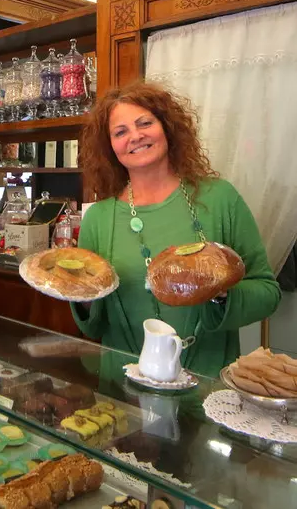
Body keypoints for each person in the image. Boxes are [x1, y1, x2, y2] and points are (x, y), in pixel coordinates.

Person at [72, 82, 280, 377]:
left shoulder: (221, 199)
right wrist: (77, 292)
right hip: (123, 392)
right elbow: (94, 323)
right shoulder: (99, 218)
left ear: (167, 128)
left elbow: (267, 293)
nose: (136, 136)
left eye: (145, 123)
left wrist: (219, 293)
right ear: (110, 147)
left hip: (209, 384)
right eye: (120, 132)